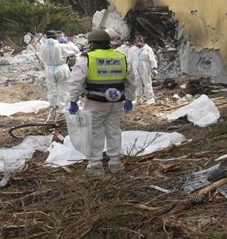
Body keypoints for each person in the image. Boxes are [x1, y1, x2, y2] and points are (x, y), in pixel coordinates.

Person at [67, 29, 136, 175]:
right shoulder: (121, 57)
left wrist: (73, 101)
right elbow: (130, 80)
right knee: (114, 131)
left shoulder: (87, 58)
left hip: (95, 103)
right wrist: (129, 98)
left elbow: (75, 82)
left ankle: (96, 164)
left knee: (95, 132)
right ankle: (115, 163)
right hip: (116, 102)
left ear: (91, 43)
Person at [38, 29, 80, 121]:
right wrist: (68, 43)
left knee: (52, 90)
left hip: (49, 69)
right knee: (64, 89)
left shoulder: (42, 47)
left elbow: (41, 56)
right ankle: (63, 109)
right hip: (61, 68)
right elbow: (76, 51)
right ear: (55, 37)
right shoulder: (60, 46)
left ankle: (53, 107)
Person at [128, 35, 158, 105]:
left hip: (145, 68)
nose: (139, 43)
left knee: (147, 83)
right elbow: (129, 60)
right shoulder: (131, 50)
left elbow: (152, 59)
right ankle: (137, 99)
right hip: (135, 68)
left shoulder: (148, 49)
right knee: (136, 83)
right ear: (134, 42)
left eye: (140, 41)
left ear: (143, 41)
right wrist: (128, 69)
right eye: (137, 41)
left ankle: (150, 98)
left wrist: (154, 68)